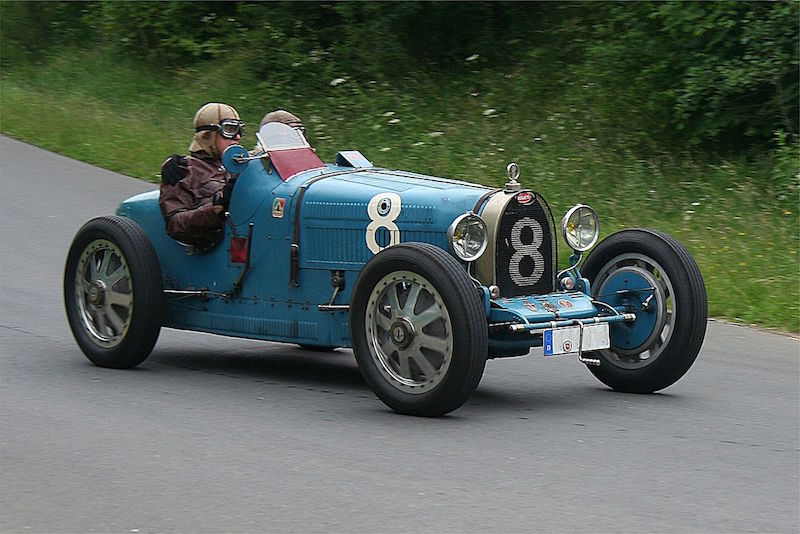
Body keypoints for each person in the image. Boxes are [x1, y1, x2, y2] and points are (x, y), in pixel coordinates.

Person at [159, 102, 245, 246]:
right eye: (230, 129)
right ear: (207, 135)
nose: (237, 137)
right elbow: (175, 225)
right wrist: (215, 208)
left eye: (240, 130)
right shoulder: (184, 169)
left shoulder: (243, 165)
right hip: (214, 246)